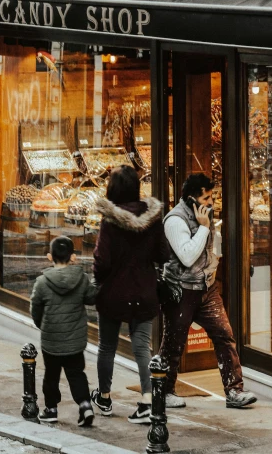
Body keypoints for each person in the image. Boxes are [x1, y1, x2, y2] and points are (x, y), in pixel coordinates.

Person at [160, 173, 257, 410]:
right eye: (206, 197)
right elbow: (186, 255)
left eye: (211, 196)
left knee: (224, 334)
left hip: (206, 288)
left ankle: (234, 390)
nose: (211, 202)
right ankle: (163, 390)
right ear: (192, 199)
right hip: (181, 290)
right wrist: (203, 229)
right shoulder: (175, 221)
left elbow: (209, 250)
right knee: (174, 342)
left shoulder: (205, 215)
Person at [91, 165, 169, 424]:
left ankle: (103, 397)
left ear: (112, 190)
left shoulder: (110, 221)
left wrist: (99, 282)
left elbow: (102, 260)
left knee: (107, 347)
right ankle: (148, 400)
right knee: (141, 346)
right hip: (144, 290)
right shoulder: (153, 218)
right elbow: (163, 254)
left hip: (113, 292)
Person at [30, 235, 98, 427]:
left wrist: (41, 324)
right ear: (73, 256)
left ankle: (51, 409)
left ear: (50, 256)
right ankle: (85, 405)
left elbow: (35, 308)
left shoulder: (42, 282)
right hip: (75, 340)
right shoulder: (82, 279)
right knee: (76, 373)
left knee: (51, 375)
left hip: (51, 340)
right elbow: (92, 298)